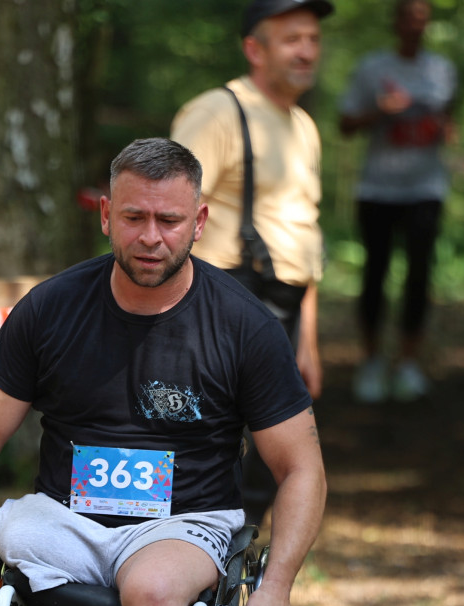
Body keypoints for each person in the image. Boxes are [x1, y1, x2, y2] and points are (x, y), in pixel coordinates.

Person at [0, 138, 326, 606]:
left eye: (169, 220)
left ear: (200, 222)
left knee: (151, 590)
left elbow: (302, 468)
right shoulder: (50, 309)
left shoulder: (245, 327)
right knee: (11, 539)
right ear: (106, 216)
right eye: (134, 217)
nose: (150, 238)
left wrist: (276, 584)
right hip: (65, 523)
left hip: (184, 526)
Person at [170, 0, 333, 526]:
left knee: (270, 464)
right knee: (203, 456)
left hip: (280, 311)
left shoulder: (304, 126)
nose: (307, 51)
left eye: (312, 38)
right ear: (253, 49)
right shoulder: (217, 112)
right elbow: (167, 215)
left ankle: (226, 589)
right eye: (292, 40)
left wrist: (306, 341)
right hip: (219, 309)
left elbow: (303, 238)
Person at [338, 0, 457, 403]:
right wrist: (380, 111)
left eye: (423, 20)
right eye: (409, 18)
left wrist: (441, 128)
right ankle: (371, 361)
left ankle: (407, 363)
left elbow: (450, 125)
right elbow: (345, 123)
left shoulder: (442, 70)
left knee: (420, 275)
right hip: (377, 189)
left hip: (426, 189)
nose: (416, 27)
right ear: (396, 23)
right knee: (375, 273)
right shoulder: (373, 68)